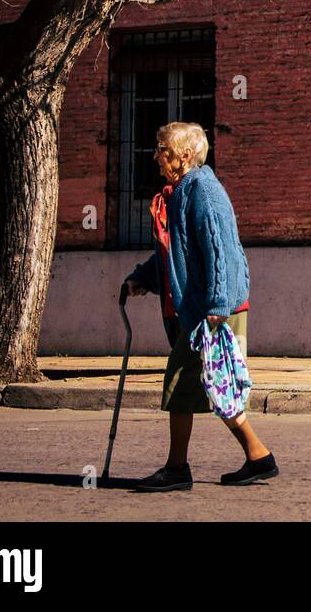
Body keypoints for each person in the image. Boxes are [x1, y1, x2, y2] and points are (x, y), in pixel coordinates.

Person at [123, 121, 278, 491]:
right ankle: (258, 457)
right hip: (200, 307)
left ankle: (177, 469)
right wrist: (143, 278)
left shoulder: (203, 191)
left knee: (182, 382)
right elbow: (174, 253)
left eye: (163, 150)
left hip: (214, 309)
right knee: (211, 385)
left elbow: (219, 250)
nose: (157, 156)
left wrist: (218, 303)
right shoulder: (180, 193)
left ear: (185, 155)